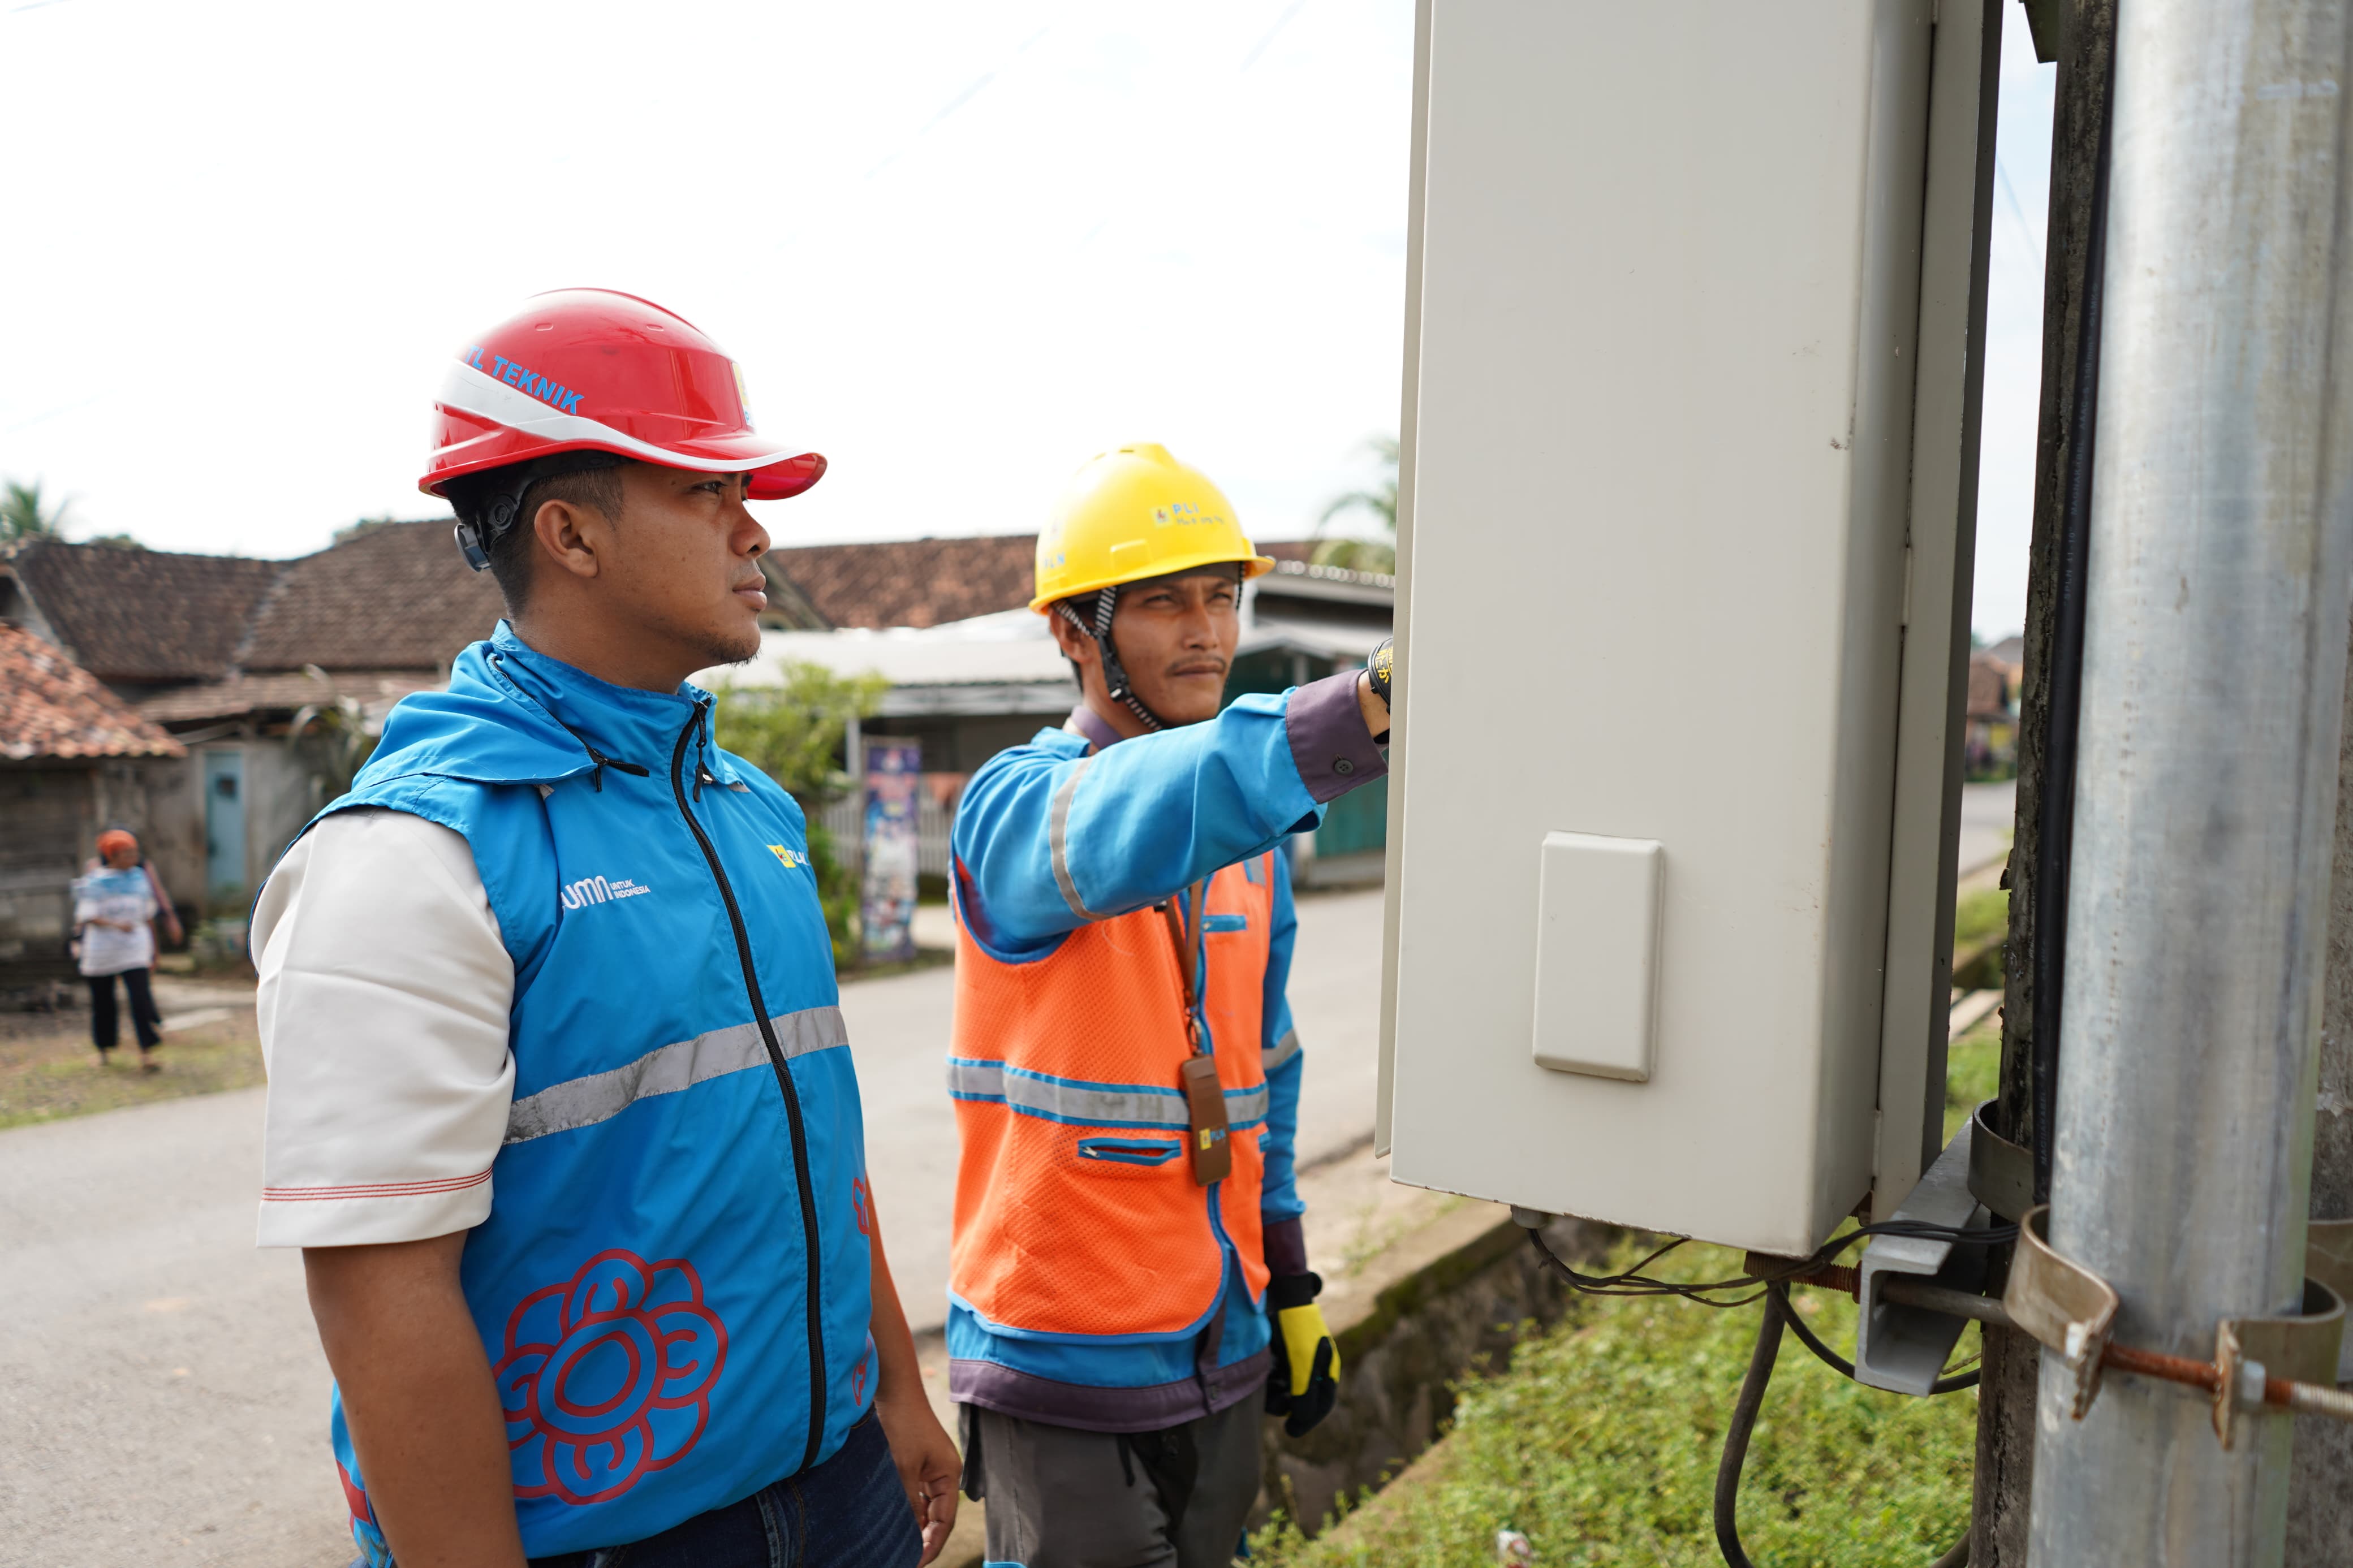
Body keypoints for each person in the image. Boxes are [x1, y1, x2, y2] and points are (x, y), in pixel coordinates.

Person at [251, 289, 958, 1568]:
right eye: (707, 493)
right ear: (570, 533)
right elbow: (379, 1291)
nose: (757, 533)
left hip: (838, 1483)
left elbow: (814, 1146)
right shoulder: (411, 860)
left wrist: (895, 1390)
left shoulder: (753, 815)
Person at [946, 444, 1395, 1567]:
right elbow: (1134, 811)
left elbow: (1266, 1080)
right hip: (1063, 1357)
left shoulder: (1252, 853)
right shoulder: (1012, 810)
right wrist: (1366, 707)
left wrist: (1287, 1281)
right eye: (1161, 602)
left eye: (1220, 596)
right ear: (1072, 633)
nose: (1204, 629)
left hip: (1222, 1339)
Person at [74, 828, 164, 1070]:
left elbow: (148, 914)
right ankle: (104, 1050)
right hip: (102, 951)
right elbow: (86, 915)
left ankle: (147, 1052)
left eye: (135, 852)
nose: (133, 857)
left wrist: (154, 949)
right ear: (111, 856)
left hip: (134, 949)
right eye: (126, 853)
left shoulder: (139, 878)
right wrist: (115, 925)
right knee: (103, 1002)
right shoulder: (95, 881)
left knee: (141, 1000)